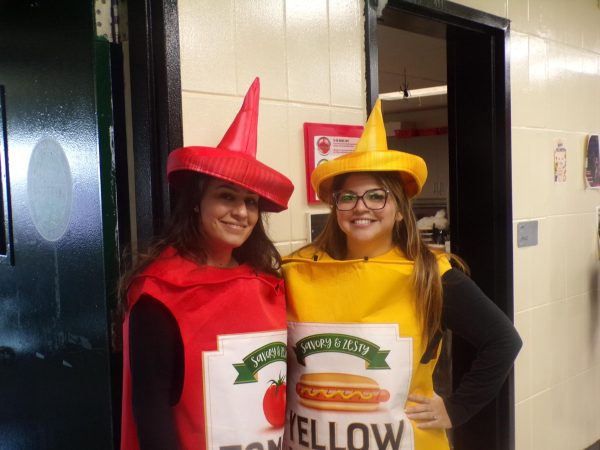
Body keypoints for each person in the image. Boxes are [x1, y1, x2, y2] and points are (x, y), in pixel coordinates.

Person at [282, 100, 522, 450]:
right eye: (348, 197)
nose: (361, 207)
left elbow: (503, 341)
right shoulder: (298, 270)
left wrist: (457, 408)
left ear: (398, 210)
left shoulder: (430, 273)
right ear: (336, 210)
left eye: (376, 196)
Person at [119, 78, 294, 450]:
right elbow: (151, 413)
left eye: (251, 202)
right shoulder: (160, 294)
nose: (241, 212)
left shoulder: (271, 287)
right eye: (226, 197)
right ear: (197, 202)